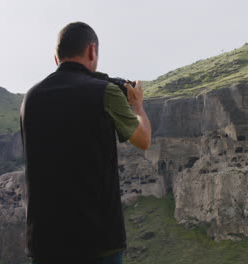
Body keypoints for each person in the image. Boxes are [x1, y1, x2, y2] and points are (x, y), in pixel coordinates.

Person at [19, 21, 151, 264]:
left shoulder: (30, 98)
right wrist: (138, 105)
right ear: (92, 50)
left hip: (45, 244)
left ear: (56, 58)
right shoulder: (104, 91)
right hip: (97, 242)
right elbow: (143, 140)